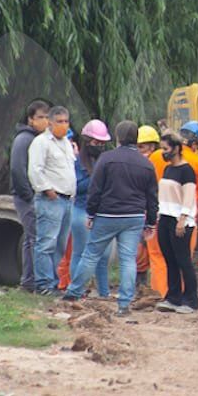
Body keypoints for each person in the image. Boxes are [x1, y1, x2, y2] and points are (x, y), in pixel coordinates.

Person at [64, 121, 159, 315]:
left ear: (117, 138)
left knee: (90, 254)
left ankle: (73, 293)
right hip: (134, 217)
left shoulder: (106, 159)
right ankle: (124, 304)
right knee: (128, 260)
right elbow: (152, 197)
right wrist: (150, 222)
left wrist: (91, 213)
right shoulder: (146, 164)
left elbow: (95, 189)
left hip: (107, 215)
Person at [28, 106, 76, 295]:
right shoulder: (41, 143)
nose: (63, 125)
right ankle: (43, 284)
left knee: (60, 245)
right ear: (50, 123)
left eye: (66, 121)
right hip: (51, 199)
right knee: (46, 243)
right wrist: (48, 190)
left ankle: (54, 282)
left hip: (67, 200)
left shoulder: (65, 143)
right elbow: (35, 170)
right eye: (60, 122)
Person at [155, 132, 198, 313]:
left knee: (183, 260)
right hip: (164, 218)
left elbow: (189, 197)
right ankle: (173, 297)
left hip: (179, 220)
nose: (162, 152)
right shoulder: (168, 169)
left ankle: (191, 300)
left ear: (176, 148)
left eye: (165, 149)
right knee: (170, 259)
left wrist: (183, 218)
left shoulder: (186, 171)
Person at [67, 119, 112, 297]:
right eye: (96, 142)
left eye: (102, 143)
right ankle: (76, 290)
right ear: (87, 141)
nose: (99, 146)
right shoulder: (77, 162)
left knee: (104, 255)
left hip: (102, 212)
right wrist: (96, 179)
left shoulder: (105, 160)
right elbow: (77, 186)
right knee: (81, 251)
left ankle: (103, 292)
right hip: (81, 210)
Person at [10, 100, 49, 293]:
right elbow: (17, 169)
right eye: (40, 117)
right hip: (26, 197)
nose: (45, 121)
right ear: (31, 120)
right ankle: (40, 284)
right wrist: (29, 196)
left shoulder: (41, 139)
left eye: (47, 117)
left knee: (30, 239)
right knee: (37, 238)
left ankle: (28, 281)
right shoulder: (24, 139)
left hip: (35, 195)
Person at [137, 124, 169, 296]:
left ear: (152, 146)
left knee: (156, 253)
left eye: (142, 147)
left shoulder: (155, 162)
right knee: (143, 253)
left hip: (154, 211)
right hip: (147, 211)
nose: (139, 150)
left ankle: (158, 289)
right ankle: (144, 287)